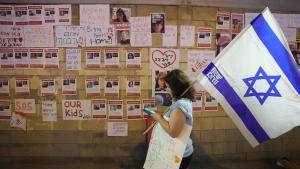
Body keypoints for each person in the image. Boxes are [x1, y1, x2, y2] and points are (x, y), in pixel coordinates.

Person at [152, 69, 195, 169]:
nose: (166, 89)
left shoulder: (180, 106)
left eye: (167, 86)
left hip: (178, 153)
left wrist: (159, 118)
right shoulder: (181, 101)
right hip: (176, 150)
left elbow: (173, 132)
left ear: (175, 88)